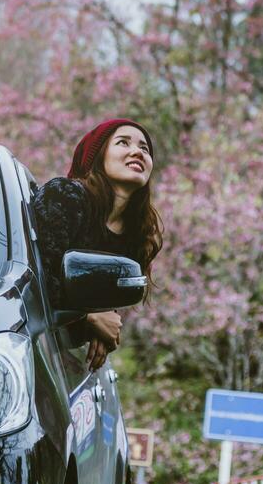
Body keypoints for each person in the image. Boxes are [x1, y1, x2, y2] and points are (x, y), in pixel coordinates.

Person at [31, 118, 164, 370]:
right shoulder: (64, 196)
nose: (137, 151)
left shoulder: (135, 234)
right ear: (98, 156)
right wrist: (89, 318)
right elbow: (35, 278)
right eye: (123, 143)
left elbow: (99, 298)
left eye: (145, 149)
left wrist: (101, 322)